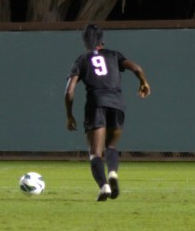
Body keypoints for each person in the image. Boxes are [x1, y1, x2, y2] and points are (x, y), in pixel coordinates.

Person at [65, 24, 151, 201]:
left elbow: (69, 91)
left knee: (95, 152)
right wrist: (143, 82)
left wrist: (69, 115)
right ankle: (112, 172)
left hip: (96, 103)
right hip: (117, 104)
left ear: (86, 43)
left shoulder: (82, 59)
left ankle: (104, 185)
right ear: (102, 41)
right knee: (111, 146)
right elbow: (137, 68)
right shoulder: (114, 55)